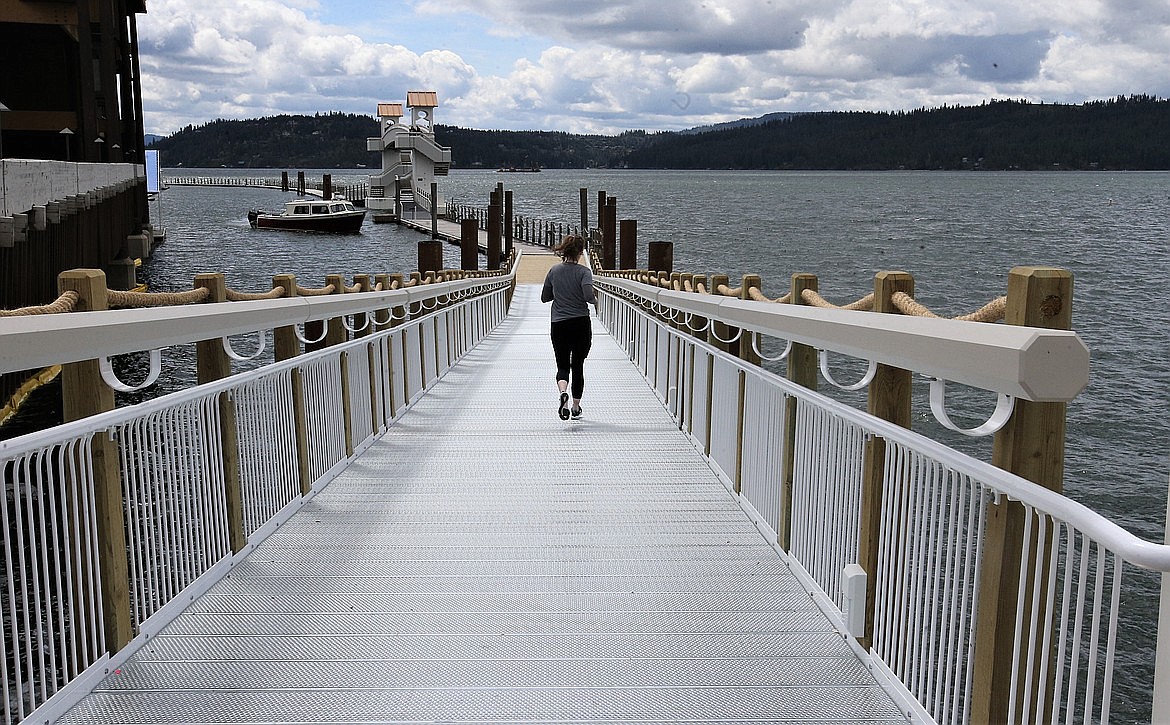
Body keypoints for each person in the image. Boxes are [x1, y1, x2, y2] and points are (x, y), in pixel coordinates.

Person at [541, 234, 597, 420]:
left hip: (559, 323)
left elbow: (544, 298)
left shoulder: (553, 271)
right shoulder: (584, 272)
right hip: (580, 322)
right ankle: (575, 407)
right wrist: (597, 301)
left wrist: (560, 292)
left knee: (562, 365)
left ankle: (562, 392)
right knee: (578, 365)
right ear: (580, 252)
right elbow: (588, 296)